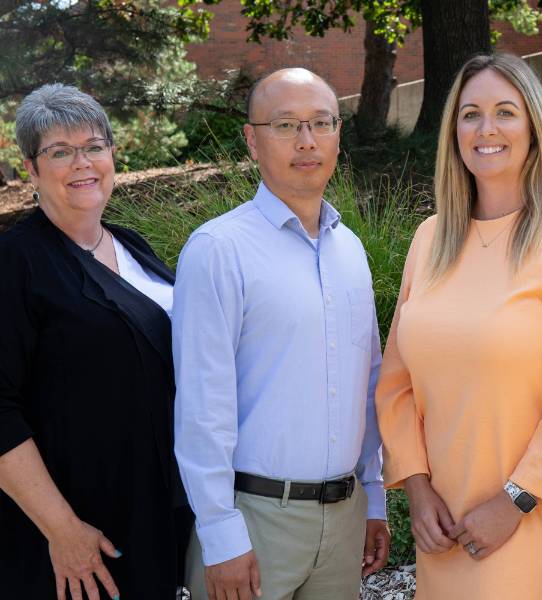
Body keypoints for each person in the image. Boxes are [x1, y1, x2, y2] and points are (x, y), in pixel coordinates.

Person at [375, 53, 542, 599]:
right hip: (443, 528)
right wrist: (417, 490)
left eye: (504, 112)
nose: (486, 129)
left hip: (531, 521)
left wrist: (516, 498)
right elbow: (396, 381)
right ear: (453, 131)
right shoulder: (430, 240)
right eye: (470, 114)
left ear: (534, 127)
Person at [173, 68, 390, 600]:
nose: (306, 141)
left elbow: (368, 385)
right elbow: (203, 406)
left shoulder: (351, 252)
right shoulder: (218, 250)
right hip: (253, 521)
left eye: (322, 123)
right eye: (285, 124)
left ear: (339, 133)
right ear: (251, 139)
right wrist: (221, 534)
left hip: (344, 522)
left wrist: (373, 496)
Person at [0, 84, 190, 599]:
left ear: (113, 154)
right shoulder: (15, 263)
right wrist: (62, 530)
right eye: (60, 152)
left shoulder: (133, 245)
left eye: (93, 146)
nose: (82, 162)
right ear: (31, 168)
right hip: (74, 541)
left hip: (153, 513)